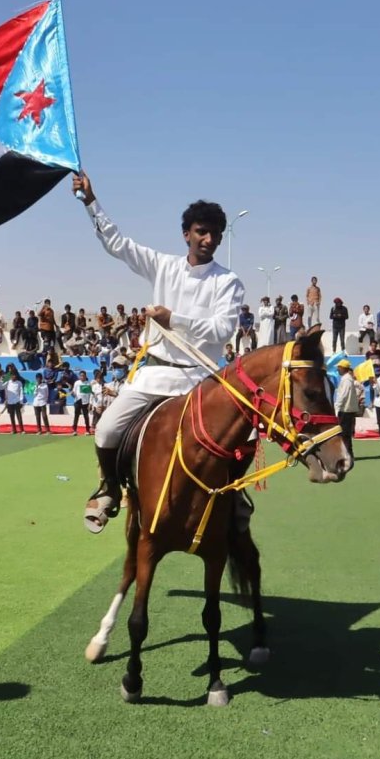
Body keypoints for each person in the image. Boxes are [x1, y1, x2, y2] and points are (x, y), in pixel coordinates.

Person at [73, 170, 245, 533]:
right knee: (105, 431)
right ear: (187, 234)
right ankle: (109, 488)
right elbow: (117, 244)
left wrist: (173, 319)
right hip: (153, 374)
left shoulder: (228, 282)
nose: (209, 239)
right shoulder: (163, 266)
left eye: (215, 233)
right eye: (201, 231)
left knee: (245, 435)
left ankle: (236, 497)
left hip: (200, 381)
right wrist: (91, 201)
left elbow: (223, 329)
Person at [334, 359, 360, 458]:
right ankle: (347, 453)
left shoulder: (346, 380)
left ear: (344, 368)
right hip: (347, 409)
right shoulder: (348, 379)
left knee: (344, 433)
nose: (337, 369)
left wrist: (337, 407)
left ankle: (347, 453)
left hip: (345, 410)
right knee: (345, 433)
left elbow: (342, 395)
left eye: (339, 367)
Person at [71, 370, 93, 435]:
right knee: (76, 416)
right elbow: (74, 392)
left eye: (83, 375)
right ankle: (74, 430)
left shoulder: (88, 383)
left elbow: (90, 394)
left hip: (85, 402)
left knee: (86, 416)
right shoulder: (76, 383)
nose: (82, 377)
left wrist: (90, 403)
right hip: (78, 401)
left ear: (85, 376)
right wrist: (73, 394)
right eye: (81, 375)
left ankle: (87, 430)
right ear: (79, 376)